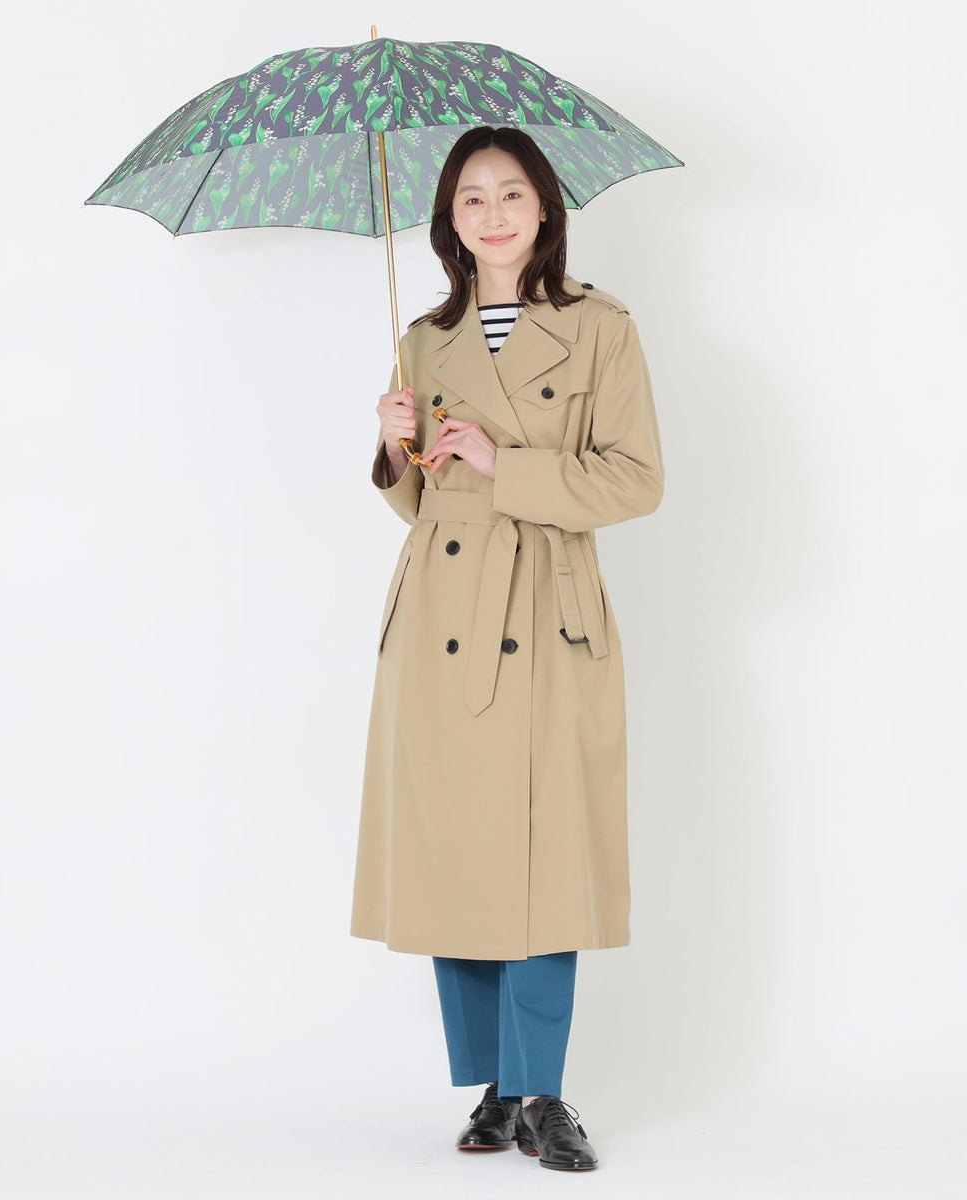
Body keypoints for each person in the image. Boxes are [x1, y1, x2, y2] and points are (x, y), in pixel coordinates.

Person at [350, 125, 664, 1172]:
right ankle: (494, 1085)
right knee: (454, 850)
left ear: (544, 209)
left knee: (545, 851)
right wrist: (394, 446)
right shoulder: (422, 340)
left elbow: (636, 480)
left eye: (511, 193)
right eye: (471, 197)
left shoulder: (600, 328)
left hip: (545, 608)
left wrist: (505, 460)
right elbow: (422, 507)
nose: (492, 214)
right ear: (448, 218)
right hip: (440, 616)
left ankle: (544, 1091)